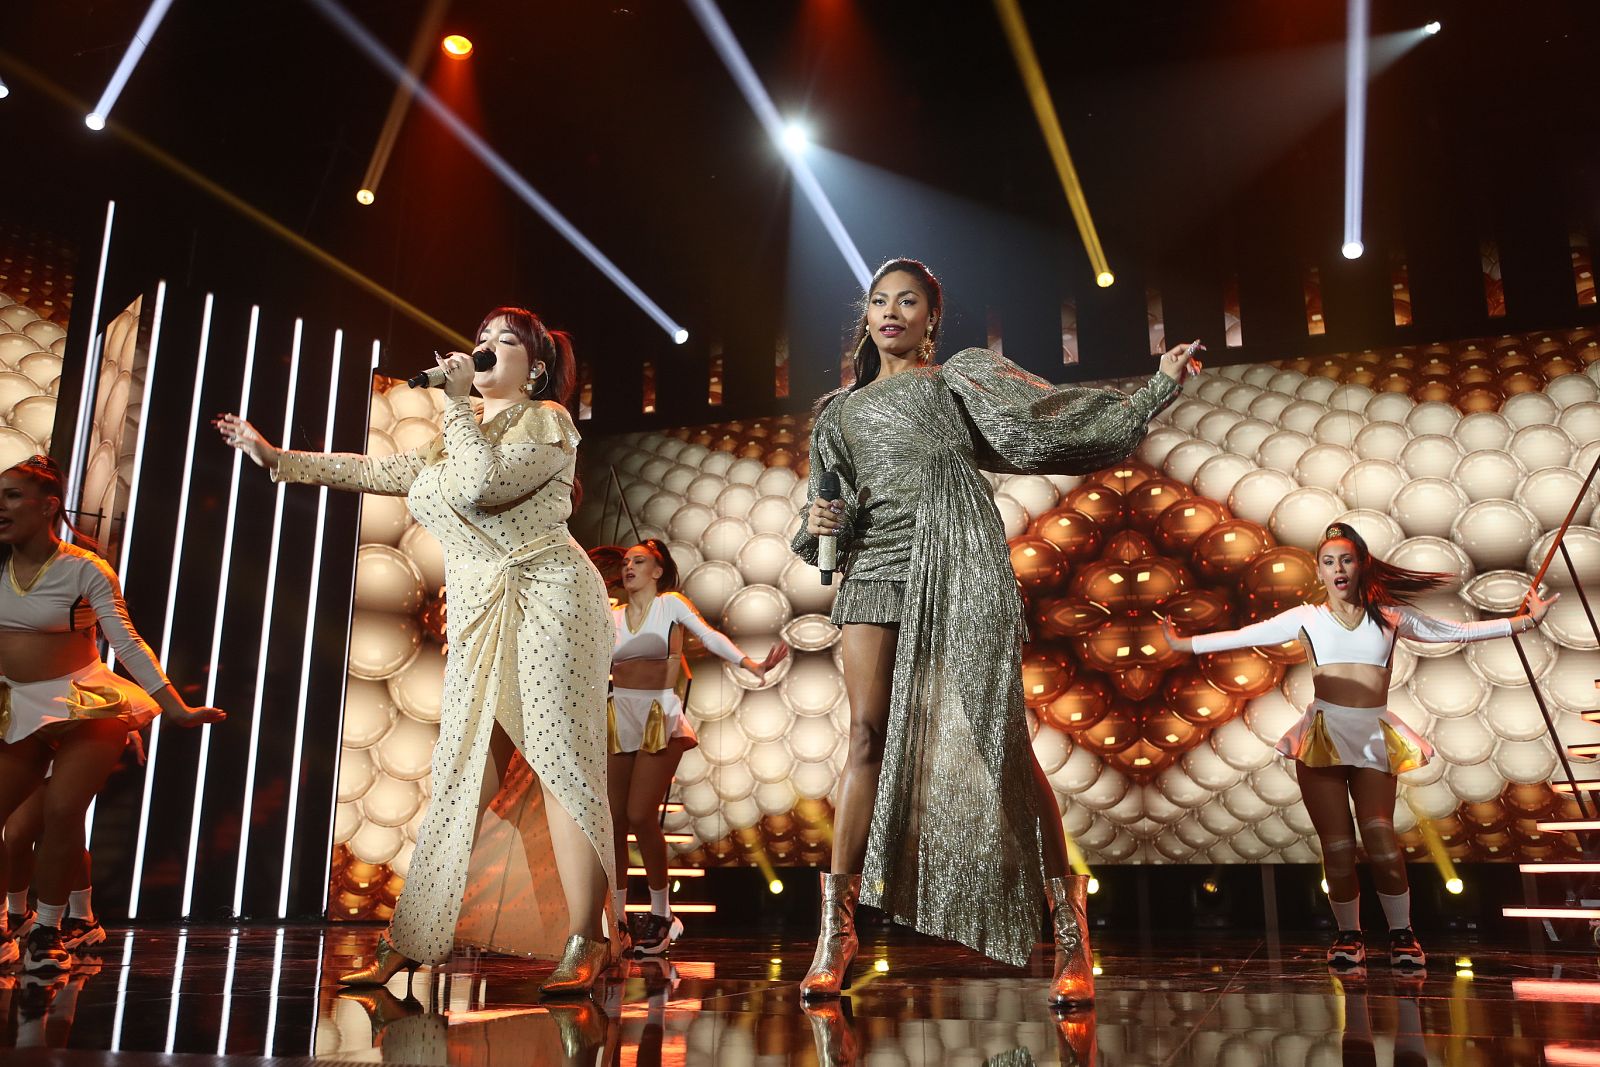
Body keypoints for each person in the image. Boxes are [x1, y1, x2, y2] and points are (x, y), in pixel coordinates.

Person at [792, 257, 1201, 1005]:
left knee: (999, 740)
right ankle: (836, 932)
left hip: (958, 560)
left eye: (907, 301)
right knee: (865, 737)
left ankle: (1070, 931)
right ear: (867, 316)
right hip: (874, 568)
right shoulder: (837, 414)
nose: (891, 312)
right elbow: (821, 528)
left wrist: (1156, 388)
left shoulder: (958, 379)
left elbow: (1052, 426)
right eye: (880, 301)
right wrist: (821, 520)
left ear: (930, 319)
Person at [218, 307, 616, 996]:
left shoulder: (546, 421)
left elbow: (485, 484)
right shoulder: (450, 440)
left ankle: (590, 939)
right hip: (479, 614)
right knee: (461, 776)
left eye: (505, 342)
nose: (485, 348)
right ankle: (410, 938)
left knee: (560, 764)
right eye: (481, 337)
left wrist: (457, 405)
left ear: (537, 368)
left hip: (547, 598)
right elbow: (374, 470)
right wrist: (280, 459)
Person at [1161, 521, 1557, 969]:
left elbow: (1456, 631)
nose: (1338, 569)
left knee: (1381, 838)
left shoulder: (1390, 616)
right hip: (1323, 738)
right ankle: (1349, 935)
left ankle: (1402, 934)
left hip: (1371, 736)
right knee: (1337, 847)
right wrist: (1182, 642)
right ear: (1319, 571)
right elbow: (1242, 636)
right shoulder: (1306, 618)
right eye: (1329, 562)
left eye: (1346, 560)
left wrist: (1526, 621)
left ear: (1360, 565)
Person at [0, 455, 223, 974]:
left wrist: (176, 708)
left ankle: (49, 932)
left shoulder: (84, 568)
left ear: (48, 506)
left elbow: (127, 641)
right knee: (11, 825)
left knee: (62, 811)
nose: (0, 506)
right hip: (18, 706)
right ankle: (12, 927)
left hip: (86, 704)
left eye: (11, 495)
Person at [607, 539, 787, 955]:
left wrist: (750, 663)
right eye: (626, 562)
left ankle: (662, 915)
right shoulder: (612, 615)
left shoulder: (669, 604)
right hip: (619, 714)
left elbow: (709, 636)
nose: (629, 566)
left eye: (639, 561)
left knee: (640, 815)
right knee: (614, 821)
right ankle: (617, 919)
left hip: (659, 715)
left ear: (658, 571)